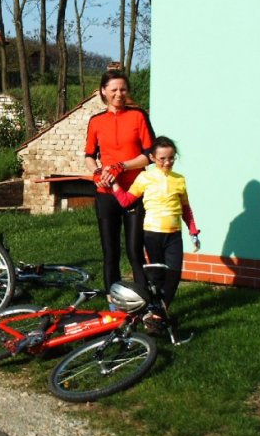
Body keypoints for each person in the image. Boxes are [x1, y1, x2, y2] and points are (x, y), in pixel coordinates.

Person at [84, 68, 155, 294]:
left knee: (135, 251)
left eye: (123, 89)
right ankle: (113, 303)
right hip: (107, 195)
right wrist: (97, 173)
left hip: (134, 192)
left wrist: (122, 165)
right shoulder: (96, 121)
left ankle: (143, 302)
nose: (119, 94)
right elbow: (89, 155)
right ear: (103, 91)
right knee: (110, 252)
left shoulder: (138, 116)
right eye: (113, 89)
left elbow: (149, 154)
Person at [111, 136, 200, 309]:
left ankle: (159, 311)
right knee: (157, 278)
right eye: (162, 159)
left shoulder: (179, 179)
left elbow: (186, 209)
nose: (167, 162)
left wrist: (193, 231)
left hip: (174, 235)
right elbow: (126, 201)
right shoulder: (145, 177)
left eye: (171, 158)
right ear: (152, 158)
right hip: (152, 234)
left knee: (173, 276)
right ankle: (154, 314)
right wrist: (113, 183)